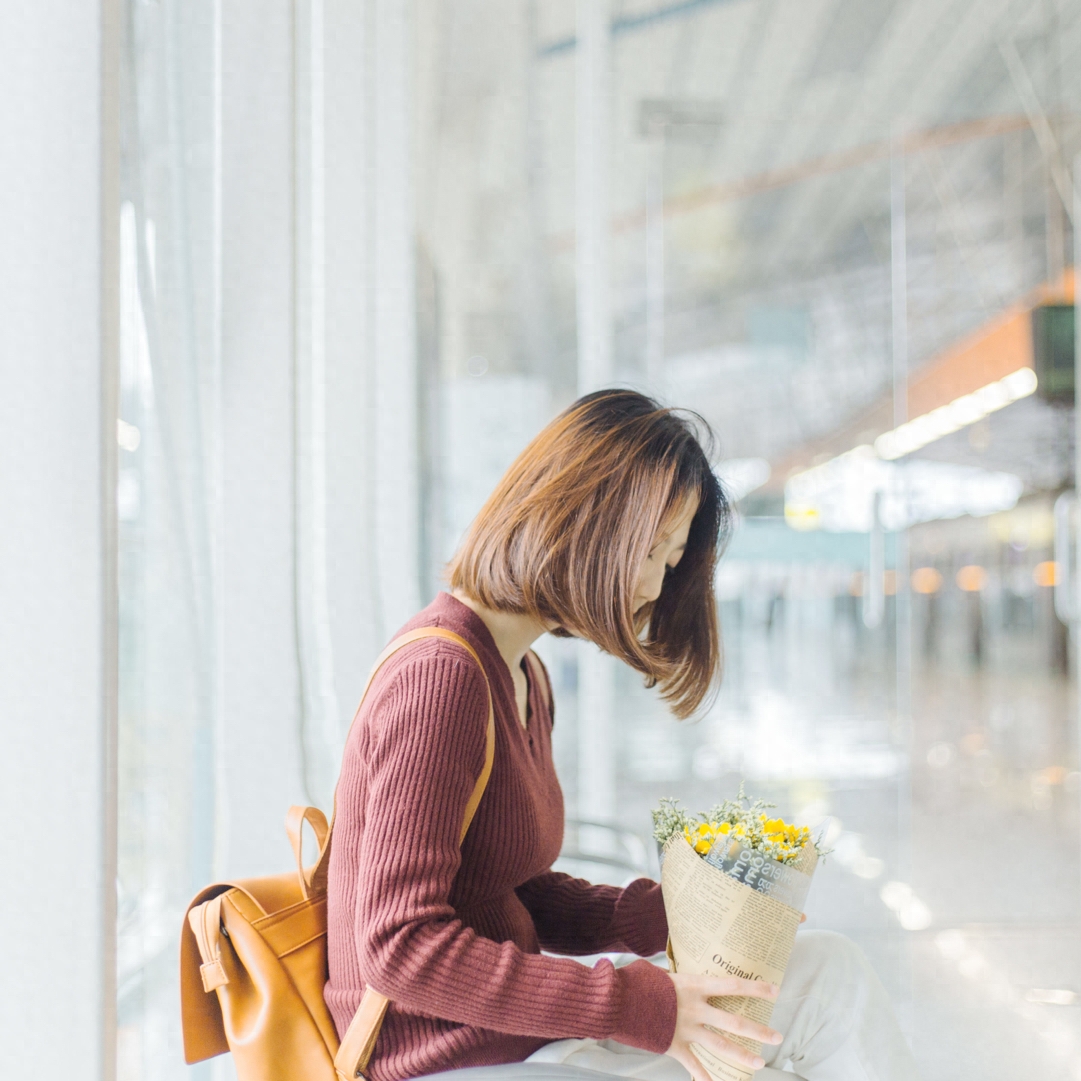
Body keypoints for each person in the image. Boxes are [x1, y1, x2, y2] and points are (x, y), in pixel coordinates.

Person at [324, 389, 919, 1081]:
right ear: (587, 523)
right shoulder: (442, 678)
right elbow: (400, 946)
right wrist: (642, 1005)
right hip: (440, 1061)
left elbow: (504, 889)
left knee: (829, 972)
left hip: (512, 1042)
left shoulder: (520, 671)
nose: (660, 584)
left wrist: (661, 915)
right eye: (658, 552)